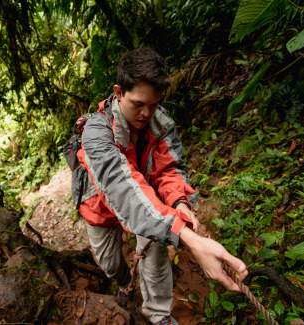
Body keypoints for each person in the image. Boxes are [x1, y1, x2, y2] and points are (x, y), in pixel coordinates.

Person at [72, 48, 248, 325]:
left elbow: (169, 170)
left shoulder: (160, 121)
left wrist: (178, 203)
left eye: (154, 104)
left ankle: (158, 315)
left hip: (147, 199)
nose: (146, 113)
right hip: (100, 209)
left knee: (156, 241)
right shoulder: (96, 133)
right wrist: (188, 238)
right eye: (138, 104)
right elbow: (122, 188)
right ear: (119, 92)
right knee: (109, 264)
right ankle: (122, 282)